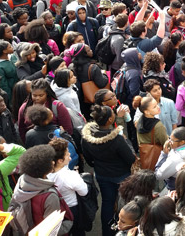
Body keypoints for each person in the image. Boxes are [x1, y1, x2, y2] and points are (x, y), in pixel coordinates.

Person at [81, 105, 136, 236]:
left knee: (107, 202)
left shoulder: (87, 136)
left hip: (101, 174)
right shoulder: (117, 139)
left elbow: (88, 158)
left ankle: (107, 232)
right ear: (111, 119)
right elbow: (129, 158)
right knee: (124, 203)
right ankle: (125, 229)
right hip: (121, 175)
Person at [9, 145, 74, 235]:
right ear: (44, 168)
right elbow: (52, 230)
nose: (53, 162)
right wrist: (68, 225)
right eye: (50, 161)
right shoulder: (50, 196)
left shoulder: (21, 183)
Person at [47, 138, 88, 236]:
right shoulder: (70, 176)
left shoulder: (46, 173)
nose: (69, 154)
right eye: (67, 153)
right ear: (60, 160)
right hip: (72, 209)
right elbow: (84, 191)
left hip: (55, 209)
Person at [17, 78, 73, 143]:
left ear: (47, 93)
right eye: (34, 95)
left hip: (57, 144)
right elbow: (22, 129)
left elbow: (68, 129)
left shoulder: (57, 106)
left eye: (41, 95)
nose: (37, 98)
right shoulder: (24, 108)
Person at [154, 127, 185, 191]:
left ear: (182, 142)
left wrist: (164, 154)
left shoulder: (175, 159)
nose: (169, 142)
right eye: (169, 138)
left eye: (172, 140)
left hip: (176, 188)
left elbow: (159, 175)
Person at [136, 96, 168, 170]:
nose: (158, 107)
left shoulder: (139, 121)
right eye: (154, 107)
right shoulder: (158, 125)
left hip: (144, 155)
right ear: (146, 111)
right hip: (157, 158)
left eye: (157, 104)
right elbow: (165, 143)